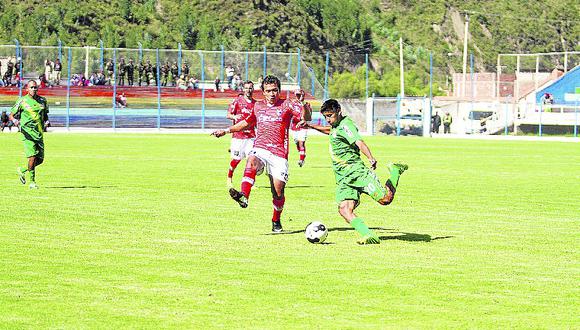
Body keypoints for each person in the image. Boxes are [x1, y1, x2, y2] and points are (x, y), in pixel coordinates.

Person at [211, 75, 312, 233]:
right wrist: (225, 131)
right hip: (261, 148)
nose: (272, 94)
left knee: (278, 193)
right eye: (268, 91)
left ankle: (276, 220)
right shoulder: (258, 106)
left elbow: (307, 118)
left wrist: (302, 103)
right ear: (263, 92)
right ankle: (244, 196)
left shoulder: (287, 105)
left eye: (275, 90)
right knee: (251, 160)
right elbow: (246, 123)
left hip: (279, 154)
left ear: (279, 90)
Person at [307, 99, 408, 244]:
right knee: (344, 209)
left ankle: (395, 171)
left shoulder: (346, 125)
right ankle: (368, 235)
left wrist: (370, 158)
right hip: (343, 179)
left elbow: (358, 141)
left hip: (357, 173)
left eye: (330, 115)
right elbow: (332, 132)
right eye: (326, 117)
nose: (328, 120)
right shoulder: (336, 127)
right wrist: (311, 126)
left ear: (339, 111)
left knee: (386, 199)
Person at [9, 80, 50, 189]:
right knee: (32, 156)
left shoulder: (43, 101)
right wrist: (15, 121)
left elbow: (45, 116)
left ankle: (22, 170)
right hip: (27, 133)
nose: (33, 89)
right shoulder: (22, 101)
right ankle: (32, 182)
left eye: (35, 87)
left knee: (40, 160)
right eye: (31, 87)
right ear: (27, 89)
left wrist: (46, 122)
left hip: (39, 133)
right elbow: (11, 115)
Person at [224, 80, 256, 188]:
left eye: (250, 88)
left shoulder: (256, 104)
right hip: (238, 136)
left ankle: (249, 182)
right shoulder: (237, 101)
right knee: (236, 160)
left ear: (253, 89)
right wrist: (234, 117)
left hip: (251, 136)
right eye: (246, 88)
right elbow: (228, 114)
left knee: (251, 160)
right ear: (243, 89)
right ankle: (229, 178)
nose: (248, 90)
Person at [290, 88, 311, 167]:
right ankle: (302, 154)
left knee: (301, 143)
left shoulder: (307, 104)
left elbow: (309, 117)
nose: (298, 96)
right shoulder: (292, 104)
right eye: (297, 95)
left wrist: (303, 120)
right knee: (297, 144)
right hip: (294, 127)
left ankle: (301, 160)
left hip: (303, 127)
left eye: (299, 95)